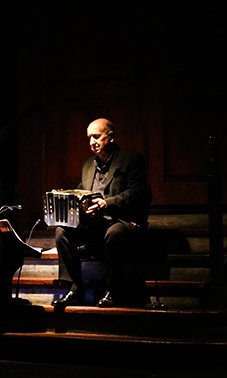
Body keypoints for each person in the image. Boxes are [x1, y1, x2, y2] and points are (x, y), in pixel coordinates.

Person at [52, 117, 152, 308]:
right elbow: (82, 190)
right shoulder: (88, 164)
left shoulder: (132, 160)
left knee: (114, 233)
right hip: (95, 224)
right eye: (89, 138)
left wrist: (106, 203)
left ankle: (114, 290)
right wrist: (68, 198)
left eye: (96, 137)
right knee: (61, 232)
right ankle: (76, 288)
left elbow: (138, 194)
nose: (92, 142)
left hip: (122, 222)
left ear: (111, 137)